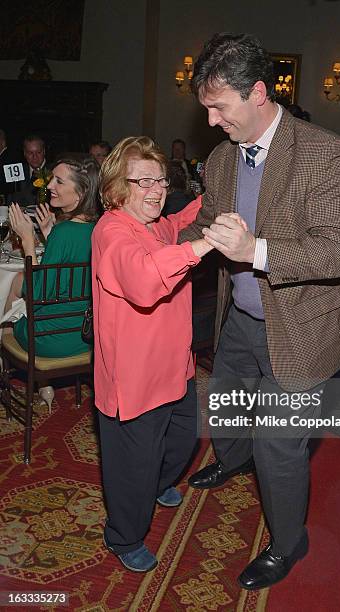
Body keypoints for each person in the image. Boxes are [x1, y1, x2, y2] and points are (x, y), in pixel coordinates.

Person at [180, 33, 340, 590]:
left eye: (219, 107)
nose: (211, 121)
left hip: (301, 330)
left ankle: (288, 543)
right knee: (230, 406)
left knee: (277, 446)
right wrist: (157, 243)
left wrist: (255, 250)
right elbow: (207, 222)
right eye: (206, 108)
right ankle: (232, 460)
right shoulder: (220, 158)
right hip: (240, 319)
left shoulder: (325, 152)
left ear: (258, 93)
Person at [91, 136, 213, 573]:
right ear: (115, 190)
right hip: (135, 377)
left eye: (159, 179)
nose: (155, 190)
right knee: (133, 467)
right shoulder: (111, 231)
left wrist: (212, 198)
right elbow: (143, 281)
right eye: (141, 181)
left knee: (181, 440)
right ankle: (123, 536)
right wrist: (202, 246)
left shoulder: (154, 225)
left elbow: (179, 220)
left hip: (175, 366)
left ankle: (158, 483)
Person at [6, 155, 100, 409]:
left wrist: (27, 239)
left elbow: (36, 295)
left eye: (59, 181)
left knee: (9, 312)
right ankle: (44, 386)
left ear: (80, 193)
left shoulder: (64, 231)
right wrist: (48, 233)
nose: (49, 186)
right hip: (86, 336)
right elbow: (68, 270)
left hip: (48, 340)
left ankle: (32, 380)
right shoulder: (101, 228)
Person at [7, 134, 48, 205]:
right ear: (24, 153)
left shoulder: (54, 171)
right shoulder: (17, 170)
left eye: (38, 152)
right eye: (30, 153)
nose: (35, 157)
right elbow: (10, 199)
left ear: (44, 151)